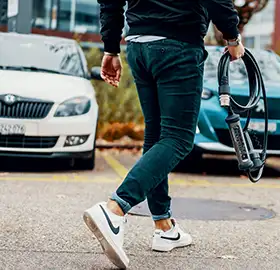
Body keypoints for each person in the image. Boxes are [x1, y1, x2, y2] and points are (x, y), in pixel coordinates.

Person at [82, 0, 245, 268]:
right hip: (177, 44)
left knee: (157, 136)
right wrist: (232, 35)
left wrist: (111, 47)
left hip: (138, 45)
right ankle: (115, 209)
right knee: (179, 138)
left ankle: (164, 226)